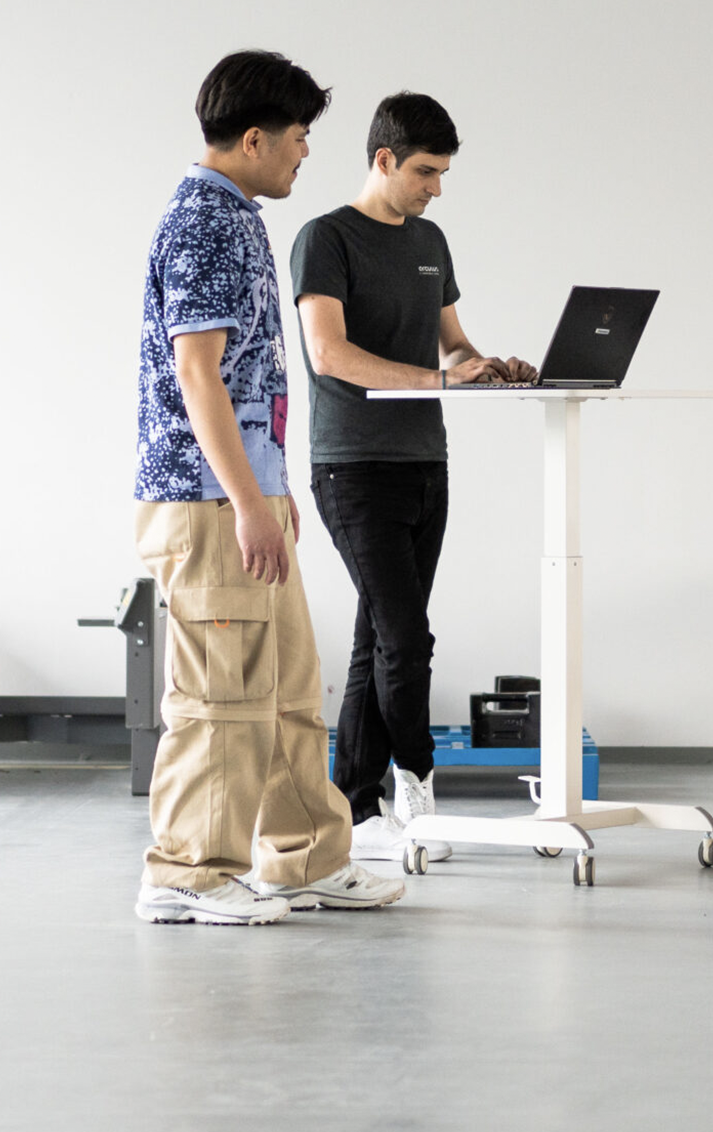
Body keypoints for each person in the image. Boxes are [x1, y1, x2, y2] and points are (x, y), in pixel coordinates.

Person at [133, 50, 406, 924]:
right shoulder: (206, 224)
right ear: (253, 139)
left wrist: (270, 499)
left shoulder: (236, 214)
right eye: (298, 139)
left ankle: (305, 860)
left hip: (254, 495)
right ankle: (187, 878)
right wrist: (250, 503)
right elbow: (196, 375)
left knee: (288, 689)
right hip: (212, 499)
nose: (304, 155)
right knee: (219, 702)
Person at [289, 92, 537, 863]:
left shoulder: (432, 240)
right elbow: (328, 354)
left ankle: (354, 812)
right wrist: (439, 381)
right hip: (353, 467)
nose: (436, 187)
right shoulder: (324, 238)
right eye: (427, 171)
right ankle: (417, 785)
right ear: (384, 159)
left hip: (426, 465)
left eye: (445, 173)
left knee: (377, 635)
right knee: (406, 636)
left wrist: (486, 368)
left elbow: (453, 345)